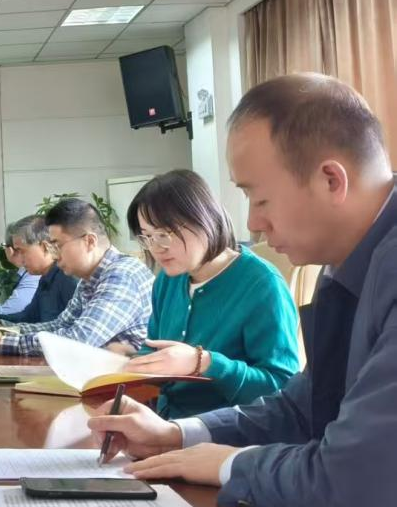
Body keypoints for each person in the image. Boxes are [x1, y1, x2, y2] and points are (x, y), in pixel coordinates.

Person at [89, 73, 397, 507]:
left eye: (260, 198)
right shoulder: (345, 264)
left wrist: (230, 464)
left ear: (331, 180)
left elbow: (352, 492)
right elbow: (303, 407)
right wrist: (179, 434)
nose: (252, 222)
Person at [123, 169, 300, 418]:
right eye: (148, 237)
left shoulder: (261, 285)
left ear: (203, 220)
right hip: (164, 422)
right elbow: (155, 348)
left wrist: (205, 363)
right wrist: (129, 363)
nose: (156, 248)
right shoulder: (167, 280)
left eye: (164, 234)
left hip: (226, 431)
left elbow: (281, 388)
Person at [0, 198, 153, 356]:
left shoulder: (122, 275)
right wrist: (0, 332)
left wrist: (2, 341)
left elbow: (80, 340)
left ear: (89, 241)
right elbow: (60, 325)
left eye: (57, 245)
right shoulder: (89, 278)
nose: (54, 254)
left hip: (129, 384)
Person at [0, 215, 77, 325]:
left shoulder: (68, 277)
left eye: (21, 250)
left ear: (44, 247)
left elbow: (68, 331)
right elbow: (27, 317)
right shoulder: (45, 278)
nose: (18, 257)